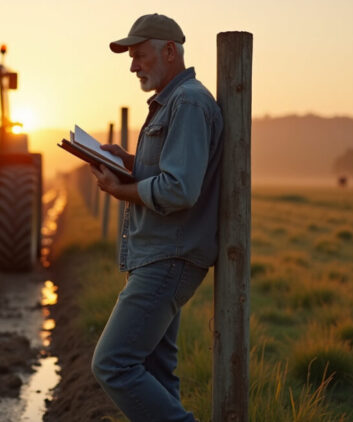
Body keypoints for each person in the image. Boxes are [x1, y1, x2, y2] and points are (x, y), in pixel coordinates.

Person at [89, 13, 223, 422]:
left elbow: (179, 189)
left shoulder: (188, 102)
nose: (133, 66)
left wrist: (119, 189)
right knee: (154, 371)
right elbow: (169, 171)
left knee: (113, 364)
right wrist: (126, 160)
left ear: (170, 51)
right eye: (131, 57)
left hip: (169, 257)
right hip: (158, 254)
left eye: (140, 55)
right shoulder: (174, 101)